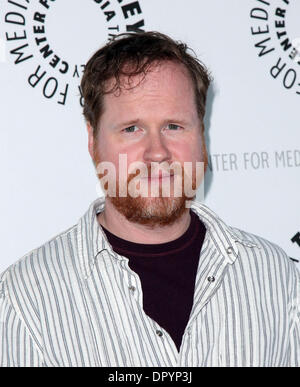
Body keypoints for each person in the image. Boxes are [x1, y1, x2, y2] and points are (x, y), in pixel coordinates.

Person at [0, 31, 299, 367]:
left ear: (201, 134)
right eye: (132, 129)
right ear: (92, 140)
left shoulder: (277, 276)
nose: (157, 153)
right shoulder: (27, 297)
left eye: (174, 126)